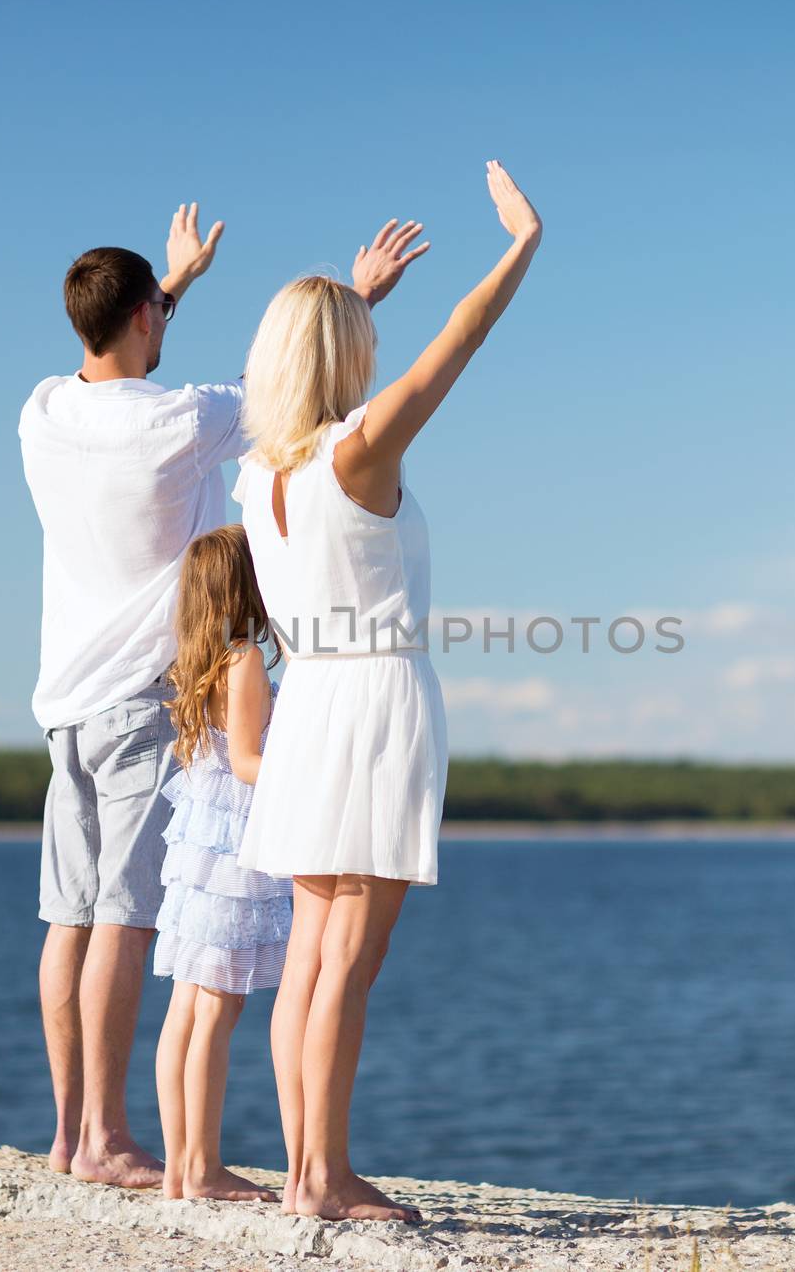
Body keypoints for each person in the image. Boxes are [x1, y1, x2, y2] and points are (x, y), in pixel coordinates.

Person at [19, 201, 431, 1187]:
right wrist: (359, 299)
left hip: (61, 698)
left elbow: (123, 334)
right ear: (142, 321)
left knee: (68, 914)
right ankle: (108, 1140)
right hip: (140, 692)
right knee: (124, 912)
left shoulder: (41, 408)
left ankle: (69, 1130)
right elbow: (278, 386)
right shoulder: (178, 420)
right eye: (157, 309)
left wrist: (172, 281)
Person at [233, 160, 542, 1221]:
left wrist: (352, 300)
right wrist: (520, 244)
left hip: (308, 702)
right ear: (345, 359)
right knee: (348, 963)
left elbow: (308, 375)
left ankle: (302, 1169)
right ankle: (322, 1177)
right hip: (372, 704)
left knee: (313, 955)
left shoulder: (258, 470)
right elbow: (456, 342)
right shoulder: (360, 453)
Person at [153, 525, 288, 1201]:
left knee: (186, 1007)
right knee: (216, 1010)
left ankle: (181, 1165)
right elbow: (247, 762)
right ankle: (202, 1168)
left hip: (196, 856)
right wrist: (309, 776)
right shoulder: (246, 661)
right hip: (233, 855)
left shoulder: (198, 662)